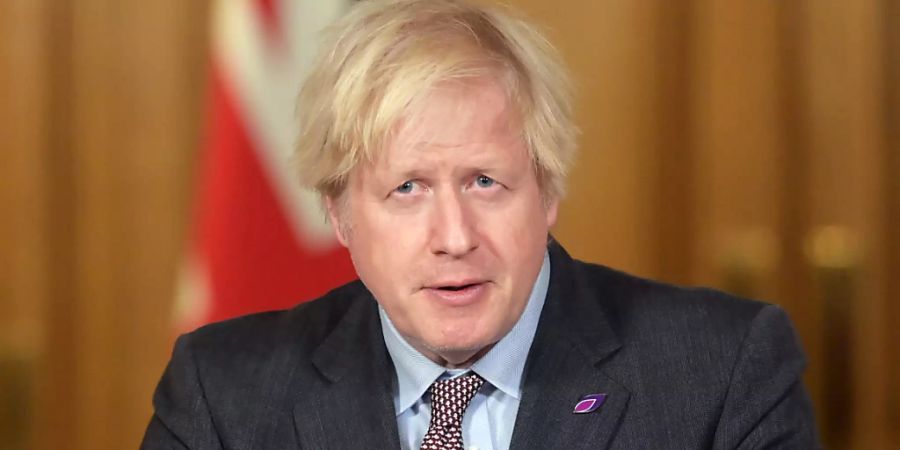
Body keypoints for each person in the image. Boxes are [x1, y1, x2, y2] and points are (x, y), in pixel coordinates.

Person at [142, 0, 819, 448]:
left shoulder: (724, 374)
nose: (455, 237)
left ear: (547, 191)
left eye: (485, 182)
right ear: (339, 215)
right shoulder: (222, 398)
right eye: (407, 189)